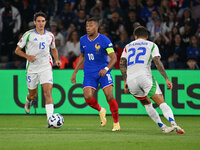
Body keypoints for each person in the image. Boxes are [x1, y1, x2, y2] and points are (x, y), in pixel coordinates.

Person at [119, 26, 184, 134]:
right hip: (144, 77)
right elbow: (157, 62)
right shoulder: (151, 45)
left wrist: (125, 81)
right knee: (161, 102)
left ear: (135, 36)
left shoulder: (127, 46)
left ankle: (163, 127)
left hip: (131, 81)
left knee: (147, 104)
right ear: (147, 36)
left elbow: (122, 63)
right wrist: (166, 78)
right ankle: (173, 123)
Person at [71, 17, 120, 131]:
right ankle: (101, 110)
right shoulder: (83, 40)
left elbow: (114, 58)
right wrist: (75, 72)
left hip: (103, 72)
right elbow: (82, 56)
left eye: (91, 26)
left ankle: (116, 123)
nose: (88, 28)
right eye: (87, 26)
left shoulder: (105, 40)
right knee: (87, 97)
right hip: (89, 73)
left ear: (97, 27)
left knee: (109, 96)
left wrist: (106, 69)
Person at [15, 12, 61, 127]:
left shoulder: (50, 35)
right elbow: (17, 50)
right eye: (39, 21)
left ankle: (50, 120)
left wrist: (57, 60)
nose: (41, 23)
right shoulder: (28, 35)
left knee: (47, 92)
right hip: (32, 69)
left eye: (43, 21)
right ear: (35, 22)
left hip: (46, 66)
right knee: (33, 94)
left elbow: (53, 49)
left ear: (46, 22)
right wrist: (27, 57)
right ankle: (28, 100)